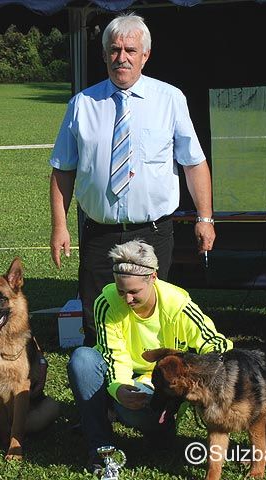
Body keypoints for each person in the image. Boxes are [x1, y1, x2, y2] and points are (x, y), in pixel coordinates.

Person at [49, 13, 215, 347]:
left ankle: (149, 377)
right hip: (99, 234)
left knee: (150, 318)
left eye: (130, 50)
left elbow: (194, 163)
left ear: (145, 55)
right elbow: (62, 169)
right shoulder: (82, 104)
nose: (121, 57)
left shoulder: (170, 99)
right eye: (114, 50)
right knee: (97, 318)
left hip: (152, 233)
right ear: (104, 54)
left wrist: (205, 218)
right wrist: (59, 226)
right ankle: (103, 376)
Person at [67, 239, 232, 472]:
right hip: (119, 375)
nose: (127, 299)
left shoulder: (179, 306)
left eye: (134, 292)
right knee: (83, 360)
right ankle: (100, 447)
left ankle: (157, 426)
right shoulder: (105, 302)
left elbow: (218, 345)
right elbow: (114, 354)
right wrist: (118, 388)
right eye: (121, 291)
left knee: (147, 420)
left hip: (157, 387)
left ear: (153, 277)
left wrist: (196, 374)